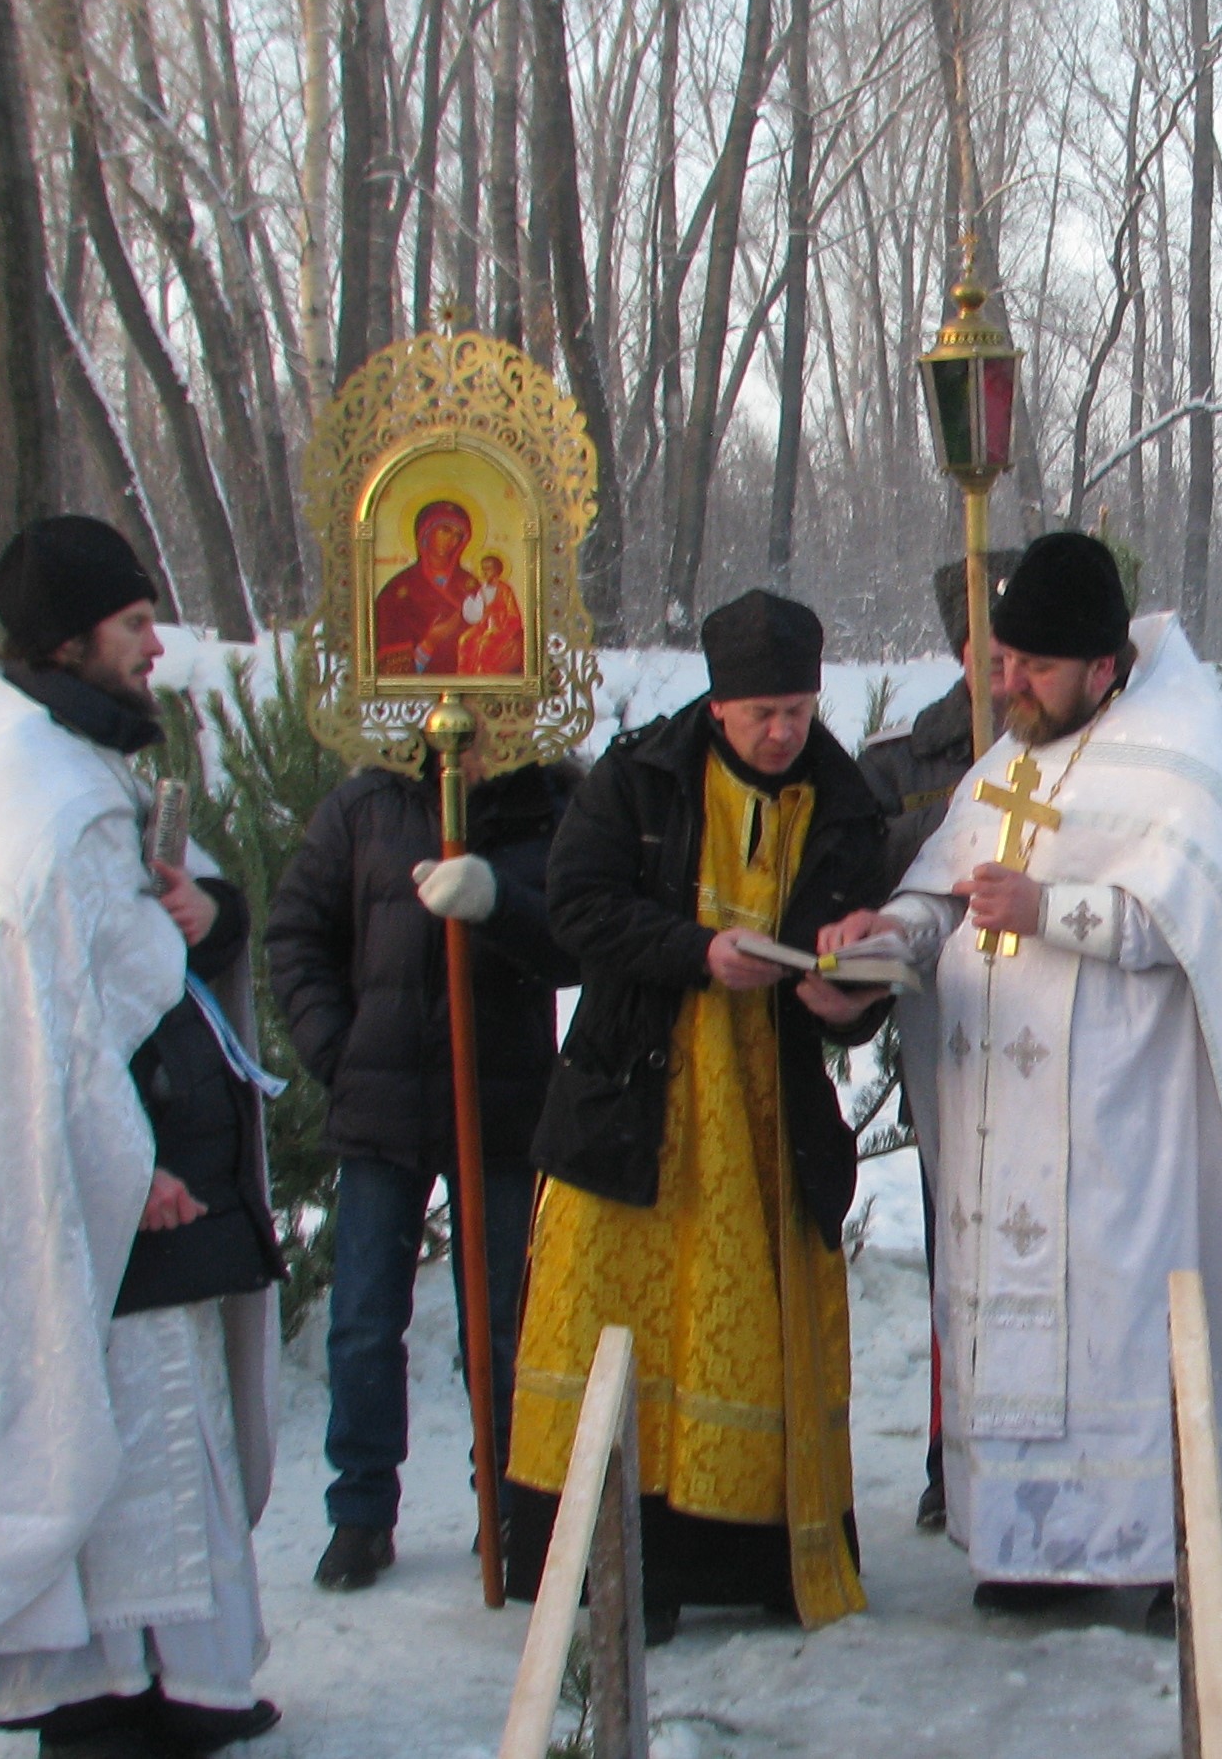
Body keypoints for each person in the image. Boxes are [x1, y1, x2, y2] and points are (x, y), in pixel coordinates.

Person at [822, 532, 1222, 1630]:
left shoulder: (1183, 757)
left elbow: (1197, 923)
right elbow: (947, 889)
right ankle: (1029, 1542)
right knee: (1010, 1320)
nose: (1007, 684)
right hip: (1000, 1124)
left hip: (1131, 1126)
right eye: (1001, 661)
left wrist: (1049, 910)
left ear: (1102, 668)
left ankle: (1183, 1543)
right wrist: (887, 933)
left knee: (1129, 1322)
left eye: (1033, 668)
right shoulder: (1007, 758)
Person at [0, 516, 284, 1759]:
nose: (155, 647)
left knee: (168, 1434)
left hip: (155, 1168)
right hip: (113, 1187)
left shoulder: (79, 766)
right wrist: (127, 1169)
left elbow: (168, 924)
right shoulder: (37, 799)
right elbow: (63, 1025)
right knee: (124, 1438)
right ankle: (109, 1706)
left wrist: (216, 906)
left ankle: (177, 1684)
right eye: (135, 625)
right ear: (69, 637)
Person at [504, 589, 889, 1641]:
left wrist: (850, 989)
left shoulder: (842, 801)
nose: (781, 732)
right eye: (762, 712)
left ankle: (752, 1559)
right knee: (612, 1329)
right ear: (717, 707)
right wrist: (693, 951)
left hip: (769, 1110)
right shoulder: (637, 778)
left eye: (798, 712)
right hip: (634, 1096)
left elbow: (859, 954)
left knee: (752, 1338)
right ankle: (612, 1566)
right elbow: (577, 905)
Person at [264, 731, 579, 1590]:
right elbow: (296, 931)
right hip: (383, 1105)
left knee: (507, 1318)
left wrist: (499, 905)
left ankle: (512, 1504)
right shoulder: (368, 805)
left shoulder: (546, 807)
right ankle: (361, 1509)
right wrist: (341, 1048)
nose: (474, 744)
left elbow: (575, 938)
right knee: (365, 1318)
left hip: (502, 1103)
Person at [854, 548, 1020, 1534]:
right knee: (953, 1254)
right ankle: (947, 1447)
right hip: (949, 1043)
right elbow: (865, 875)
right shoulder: (900, 761)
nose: (999, 671)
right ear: (957, 650)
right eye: (980, 649)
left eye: (1017, 650)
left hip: (1052, 1044)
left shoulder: (1088, 753)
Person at [373, 499, 480, 673]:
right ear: (426, 531)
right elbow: (388, 670)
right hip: (417, 695)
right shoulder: (397, 590)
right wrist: (430, 643)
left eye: (458, 535)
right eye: (445, 530)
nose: (451, 540)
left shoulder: (470, 585)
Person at [457, 553, 526, 675]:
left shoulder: (505, 590)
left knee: (484, 643)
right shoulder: (480, 589)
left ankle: (483, 673)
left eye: (488, 569)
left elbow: (513, 614)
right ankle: (464, 675)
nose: (484, 572)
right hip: (482, 626)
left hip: (501, 627)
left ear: (497, 571)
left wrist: (500, 624)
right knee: (464, 640)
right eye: (483, 569)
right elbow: (475, 611)